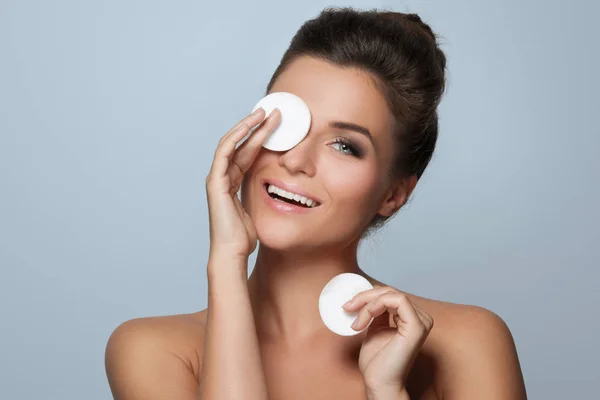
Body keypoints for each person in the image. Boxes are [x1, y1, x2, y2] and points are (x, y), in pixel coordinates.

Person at [105, 7, 527, 400]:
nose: (294, 161)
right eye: (286, 123)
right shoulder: (155, 349)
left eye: (344, 146)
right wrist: (227, 261)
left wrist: (387, 392)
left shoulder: (466, 344)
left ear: (393, 194)